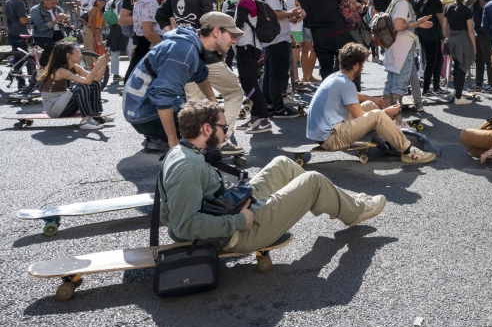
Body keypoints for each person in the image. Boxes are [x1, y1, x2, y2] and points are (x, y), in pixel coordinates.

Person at [159, 100, 388, 250]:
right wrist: (238, 220)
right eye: (224, 128)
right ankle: (355, 211)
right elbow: (183, 227)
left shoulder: (186, 151)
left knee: (282, 164)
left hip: (224, 212)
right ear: (207, 129)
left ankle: (347, 202)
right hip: (232, 236)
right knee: (313, 180)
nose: (227, 134)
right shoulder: (188, 167)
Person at [155, 0, 244, 153]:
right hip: (206, 55)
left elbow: (160, 16)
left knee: (196, 106)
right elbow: (210, 22)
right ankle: (221, 139)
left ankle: (197, 145)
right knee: (234, 93)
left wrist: (174, 33)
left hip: (185, 55)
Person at [123, 12, 239, 151]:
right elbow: (164, 96)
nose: (234, 41)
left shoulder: (190, 43)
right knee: (206, 132)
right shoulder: (184, 51)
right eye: (232, 35)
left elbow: (200, 74)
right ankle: (166, 140)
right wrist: (174, 142)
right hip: (143, 113)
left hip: (139, 106)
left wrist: (213, 101)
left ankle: (159, 138)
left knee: (202, 117)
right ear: (216, 31)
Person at [307, 43, 436, 164]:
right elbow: (360, 116)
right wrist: (386, 112)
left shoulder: (336, 77)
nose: (363, 67)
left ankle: (387, 136)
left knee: (370, 105)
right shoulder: (346, 84)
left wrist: (373, 99)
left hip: (324, 133)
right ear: (357, 65)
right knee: (377, 115)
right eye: (363, 64)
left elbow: (353, 95)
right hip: (331, 139)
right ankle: (409, 152)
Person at [297, 0, 358, 81]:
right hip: (339, 33)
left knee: (326, 72)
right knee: (349, 67)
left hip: (319, 37)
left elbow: (304, 15)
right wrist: (354, 5)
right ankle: (351, 97)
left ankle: (330, 97)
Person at [226, 0, 272, 134]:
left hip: (247, 47)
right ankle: (255, 117)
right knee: (247, 83)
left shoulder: (245, 2)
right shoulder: (244, 1)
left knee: (250, 83)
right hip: (247, 47)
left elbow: (237, 27)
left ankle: (264, 119)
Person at [383, 0, 433, 117]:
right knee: (399, 87)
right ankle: (397, 121)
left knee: (391, 85)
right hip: (402, 49)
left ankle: (387, 120)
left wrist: (418, 24)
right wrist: (417, 22)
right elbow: (399, 25)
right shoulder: (403, 3)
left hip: (395, 47)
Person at [262, 0, 303, 118]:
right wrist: (290, 13)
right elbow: (275, 13)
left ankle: (269, 103)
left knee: (270, 74)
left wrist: (288, 17)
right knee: (277, 75)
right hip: (278, 40)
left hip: (274, 39)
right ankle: (279, 108)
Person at [39, 42, 110, 130]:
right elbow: (86, 81)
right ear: (69, 55)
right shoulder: (60, 70)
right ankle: (85, 121)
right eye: (78, 52)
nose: (81, 54)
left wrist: (103, 64)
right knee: (81, 87)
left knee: (94, 84)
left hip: (63, 102)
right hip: (54, 107)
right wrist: (98, 63)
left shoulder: (74, 67)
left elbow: (96, 79)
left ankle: (95, 116)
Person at [123, 0, 165, 83]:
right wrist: (165, 46)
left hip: (143, 46)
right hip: (150, 46)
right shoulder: (150, 3)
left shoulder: (140, 1)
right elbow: (148, 32)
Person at [443, 0, 476, 105]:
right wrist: (474, 46)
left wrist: (449, 35)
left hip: (452, 39)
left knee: (456, 65)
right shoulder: (467, 10)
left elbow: (444, 26)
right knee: (462, 66)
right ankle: (458, 96)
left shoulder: (449, 7)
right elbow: (470, 30)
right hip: (463, 39)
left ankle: (457, 92)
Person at [416, 0, 447, 98]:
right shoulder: (435, 0)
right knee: (432, 61)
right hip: (432, 34)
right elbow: (441, 20)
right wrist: (447, 32)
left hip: (423, 33)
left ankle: (435, 87)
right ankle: (427, 89)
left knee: (438, 60)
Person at [468, 0, 492, 92]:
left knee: (488, 57)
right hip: (476, 31)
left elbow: (486, 8)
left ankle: (490, 83)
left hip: (486, 31)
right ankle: (479, 83)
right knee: (478, 58)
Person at [30, 0, 69, 68]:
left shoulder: (57, 8)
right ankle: (42, 67)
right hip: (42, 35)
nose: (54, 5)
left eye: (56, 3)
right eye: (52, 3)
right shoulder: (35, 10)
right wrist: (55, 21)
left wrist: (65, 20)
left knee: (69, 46)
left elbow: (64, 18)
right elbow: (41, 27)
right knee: (51, 46)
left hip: (58, 33)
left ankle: (61, 69)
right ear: (44, 0)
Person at [5, 0, 32, 89]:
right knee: (28, 58)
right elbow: (23, 21)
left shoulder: (9, 1)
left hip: (12, 33)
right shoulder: (19, 3)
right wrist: (32, 17)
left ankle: (21, 82)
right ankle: (28, 82)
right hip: (20, 33)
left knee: (19, 59)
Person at [105, 0, 129, 81]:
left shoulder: (108, 3)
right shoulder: (124, 3)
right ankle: (131, 73)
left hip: (114, 29)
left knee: (114, 53)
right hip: (125, 28)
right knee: (130, 52)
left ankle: (115, 75)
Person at [86, 0, 108, 64]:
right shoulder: (94, 9)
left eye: (103, 1)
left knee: (99, 50)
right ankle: (91, 67)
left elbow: (104, 23)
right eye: (99, 1)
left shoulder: (104, 10)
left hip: (98, 31)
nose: (102, 2)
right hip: (90, 30)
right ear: (95, 2)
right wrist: (95, 33)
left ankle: (98, 66)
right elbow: (92, 22)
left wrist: (100, 33)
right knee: (90, 50)